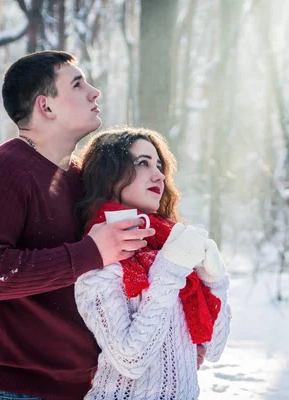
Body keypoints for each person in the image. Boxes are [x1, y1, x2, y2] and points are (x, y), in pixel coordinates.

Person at [0, 51, 156, 400]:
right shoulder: (0, 170)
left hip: (84, 386)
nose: (95, 92)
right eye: (78, 84)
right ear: (46, 107)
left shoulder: (81, 177)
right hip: (11, 388)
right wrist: (89, 253)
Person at [73, 127, 231, 399]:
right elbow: (129, 360)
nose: (158, 175)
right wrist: (170, 271)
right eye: (142, 163)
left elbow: (213, 348)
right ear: (109, 175)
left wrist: (215, 283)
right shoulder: (101, 259)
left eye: (159, 165)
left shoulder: (171, 245)